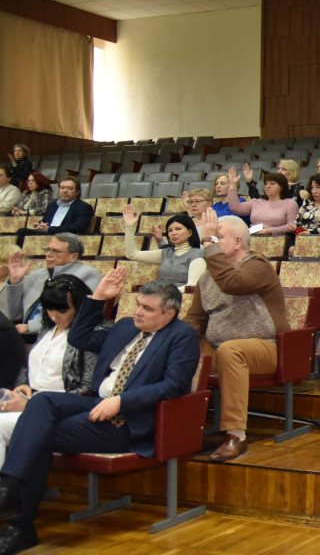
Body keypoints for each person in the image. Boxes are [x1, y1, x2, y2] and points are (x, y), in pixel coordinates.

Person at [0, 272, 198, 554]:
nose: (139, 312)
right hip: (95, 403)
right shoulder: (127, 326)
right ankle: (10, 487)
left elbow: (173, 385)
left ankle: (20, 523)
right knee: (41, 402)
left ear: (169, 313)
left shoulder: (182, 335)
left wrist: (122, 401)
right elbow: (79, 339)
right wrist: (97, 298)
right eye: (138, 304)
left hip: (127, 419)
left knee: (40, 434)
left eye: (148, 309)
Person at [188, 212, 289, 462]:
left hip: (266, 348)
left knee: (231, 350)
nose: (209, 243)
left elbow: (232, 283)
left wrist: (208, 244)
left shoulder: (258, 265)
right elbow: (195, 319)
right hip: (217, 347)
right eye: (210, 239)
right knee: (181, 344)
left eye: (217, 238)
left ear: (237, 242)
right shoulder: (207, 277)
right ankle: (180, 427)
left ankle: (236, 434)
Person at [0, 275, 103, 467]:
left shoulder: (93, 335)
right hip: (33, 400)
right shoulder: (48, 328)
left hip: (60, 408)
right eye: (49, 309)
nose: (54, 315)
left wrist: (31, 406)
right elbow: (28, 365)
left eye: (62, 310)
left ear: (80, 307)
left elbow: (86, 389)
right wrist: (23, 386)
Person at [4, 233, 102, 336]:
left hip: (62, 335)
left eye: (55, 251)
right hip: (24, 334)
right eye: (48, 250)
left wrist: (30, 327)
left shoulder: (87, 274)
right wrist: (14, 282)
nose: (48, 254)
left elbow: (80, 313)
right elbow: (13, 315)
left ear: (73, 256)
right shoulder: (36, 275)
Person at [121, 205, 205, 290]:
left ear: (190, 232)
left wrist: (161, 293)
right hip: (161, 297)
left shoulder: (198, 255)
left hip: (180, 299)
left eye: (178, 229)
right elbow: (132, 255)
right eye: (170, 230)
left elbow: (191, 287)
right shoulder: (166, 252)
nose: (173, 233)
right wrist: (129, 227)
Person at [225, 168, 298, 235]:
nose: (268, 186)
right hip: (252, 237)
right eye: (266, 184)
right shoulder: (256, 202)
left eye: (272, 184)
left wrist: (270, 230)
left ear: (281, 187)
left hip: (276, 240)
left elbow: (291, 226)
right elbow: (235, 208)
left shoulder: (290, 203)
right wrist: (232, 185)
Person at [19, 177, 93, 238]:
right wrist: (40, 226)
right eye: (62, 188)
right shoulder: (52, 205)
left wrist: (50, 229)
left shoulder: (84, 207)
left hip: (65, 237)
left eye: (70, 188)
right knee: (21, 231)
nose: (65, 191)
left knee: (23, 232)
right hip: (48, 234)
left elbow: (78, 227)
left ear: (77, 192)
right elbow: (45, 221)